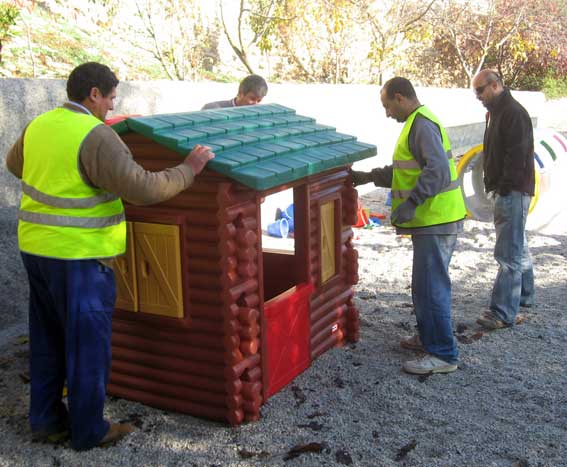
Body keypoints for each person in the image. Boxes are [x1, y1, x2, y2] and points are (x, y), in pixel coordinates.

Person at [5, 62, 214, 450]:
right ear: (94, 94)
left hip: (35, 250)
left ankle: (47, 421)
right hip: (80, 258)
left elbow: (14, 164)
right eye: (111, 96)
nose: (111, 104)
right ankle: (89, 431)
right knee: (88, 346)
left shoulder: (40, 125)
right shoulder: (96, 135)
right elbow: (143, 188)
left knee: (47, 338)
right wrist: (189, 168)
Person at [350, 77, 466, 375]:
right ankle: (429, 339)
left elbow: (437, 171)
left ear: (400, 98)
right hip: (435, 219)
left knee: (431, 287)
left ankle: (443, 354)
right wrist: (367, 177)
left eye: (387, 106)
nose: (387, 113)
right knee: (424, 286)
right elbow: (404, 172)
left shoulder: (421, 125)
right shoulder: (417, 122)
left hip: (435, 219)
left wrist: (412, 204)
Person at [471, 69, 535, 330]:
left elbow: (517, 157)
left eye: (480, 91)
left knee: (507, 253)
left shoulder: (513, 112)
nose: (478, 97)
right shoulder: (497, 112)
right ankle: (525, 296)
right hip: (508, 189)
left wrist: (504, 188)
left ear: (495, 85)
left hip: (513, 191)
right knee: (518, 243)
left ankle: (502, 312)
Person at [201, 74, 268, 110]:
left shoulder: (260, 113)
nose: (255, 104)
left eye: (259, 101)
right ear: (240, 94)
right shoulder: (212, 109)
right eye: (252, 99)